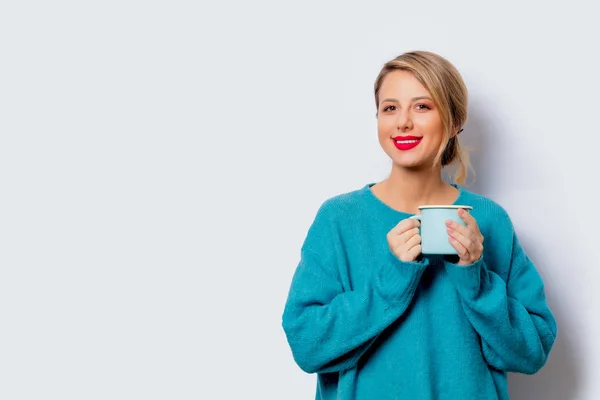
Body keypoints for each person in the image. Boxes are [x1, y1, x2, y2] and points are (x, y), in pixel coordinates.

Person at [281, 50, 557, 399]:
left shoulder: (488, 220)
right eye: (390, 108)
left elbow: (531, 353)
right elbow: (307, 346)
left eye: (422, 106)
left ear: (455, 120)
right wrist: (392, 280)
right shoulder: (339, 219)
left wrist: (476, 279)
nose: (403, 123)